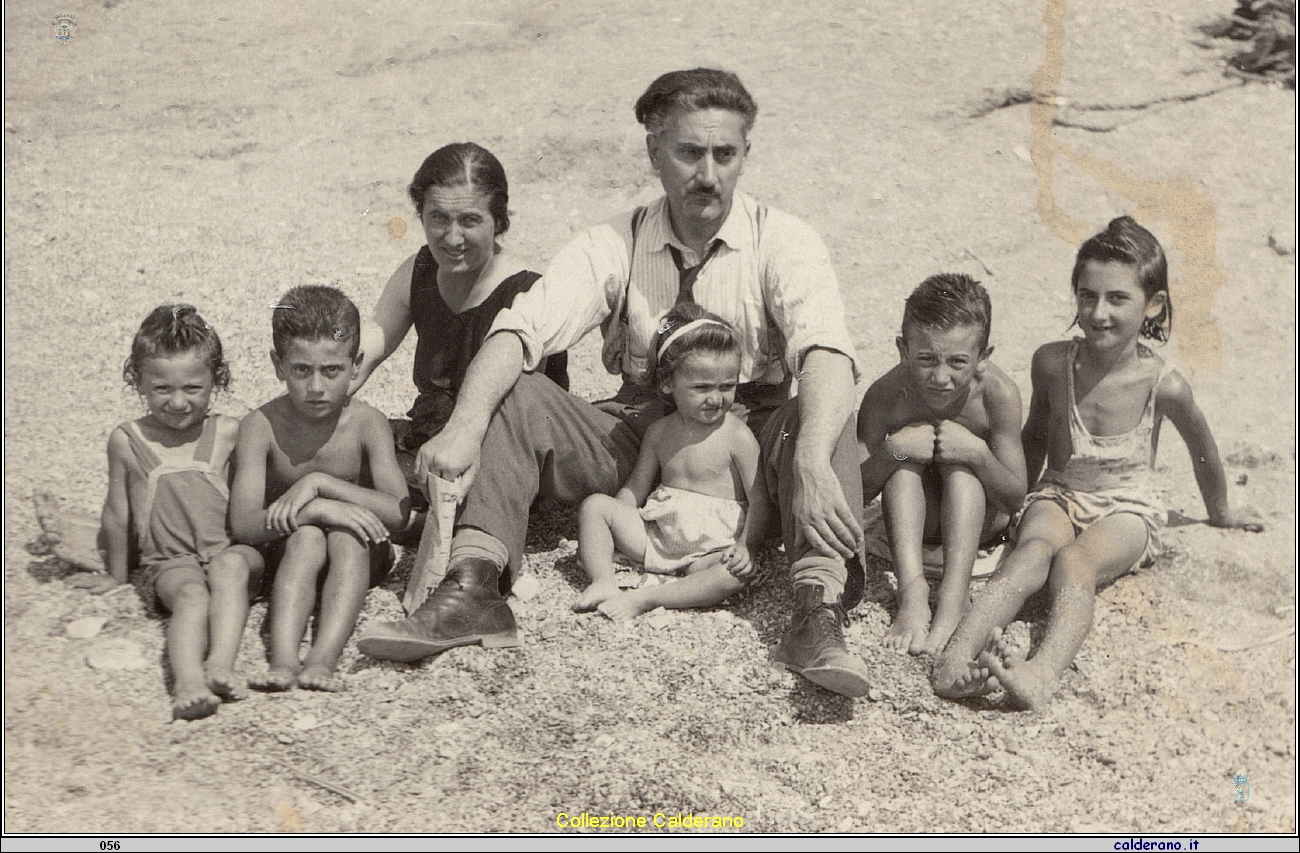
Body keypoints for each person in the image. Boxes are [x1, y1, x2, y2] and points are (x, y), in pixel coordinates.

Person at [358, 68, 873, 698]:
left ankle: (815, 610)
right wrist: (465, 426)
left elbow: (826, 350)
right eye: (688, 153)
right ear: (654, 152)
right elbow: (522, 330)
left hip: (751, 432)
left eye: (724, 154)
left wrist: (814, 462)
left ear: (745, 155)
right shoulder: (614, 241)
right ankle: (473, 586)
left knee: (824, 410)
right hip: (645, 433)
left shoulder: (784, 240)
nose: (707, 175)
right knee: (516, 390)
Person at [931, 217, 1264, 708]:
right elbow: (1035, 440)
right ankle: (955, 659)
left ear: (1154, 305)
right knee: (1032, 551)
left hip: (1127, 505)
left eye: (1117, 298)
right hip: (1060, 491)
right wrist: (1008, 503)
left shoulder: (1163, 385)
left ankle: (1041, 675)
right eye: (1087, 296)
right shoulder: (1052, 364)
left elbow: (1204, 450)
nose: (1099, 312)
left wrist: (1220, 512)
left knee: (1076, 562)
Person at [348, 142, 567, 512]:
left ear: (499, 221)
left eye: (469, 220)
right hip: (428, 440)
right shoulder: (419, 270)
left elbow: (512, 418)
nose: (451, 238)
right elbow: (365, 349)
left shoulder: (528, 292)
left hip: (497, 455)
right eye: (437, 218)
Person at [231, 285, 408, 692]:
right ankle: (283, 661)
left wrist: (320, 484)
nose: (316, 387)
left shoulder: (366, 423)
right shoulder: (260, 426)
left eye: (332, 371)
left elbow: (397, 514)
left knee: (346, 537)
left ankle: (323, 659)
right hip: (289, 552)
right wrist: (313, 511)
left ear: (355, 363)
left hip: (362, 551)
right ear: (278, 365)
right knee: (309, 537)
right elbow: (243, 525)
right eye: (301, 370)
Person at [100, 304, 264, 720]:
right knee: (191, 597)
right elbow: (118, 513)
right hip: (170, 561)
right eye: (161, 389)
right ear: (137, 381)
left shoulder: (228, 431)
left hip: (230, 551)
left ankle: (221, 664)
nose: (177, 402)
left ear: (217, 380)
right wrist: (116, 576)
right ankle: (188, 681)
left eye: (192, 389)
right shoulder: (127, 440)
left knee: (229, 568)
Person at [857, 274, 1027, 656]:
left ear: (983, 358)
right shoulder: (886, 394)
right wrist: (894, 452)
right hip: (909, 538)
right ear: (903, 350)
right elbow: (855, 490)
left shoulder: (998, 395)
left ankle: (953, 598)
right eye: (926, 359)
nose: (940, 377)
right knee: (903, 466)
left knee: (963, 470)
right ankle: (912, 593)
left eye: (957, 362)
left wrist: (978, 454)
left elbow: (1015, 497)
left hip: (977, 536)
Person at [573, 304, 771, 620]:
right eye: (702, 388)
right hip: (660, 535)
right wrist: (619, 517)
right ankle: (603, 581)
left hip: (711, 547)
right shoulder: (659, 432)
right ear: (668, 384)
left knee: (731, 574)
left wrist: (746, 546)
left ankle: (649, 598)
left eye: (727, 386)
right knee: (595, 507)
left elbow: (759, 501)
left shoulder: (738, 437)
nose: (716, 399)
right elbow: (636, 487)